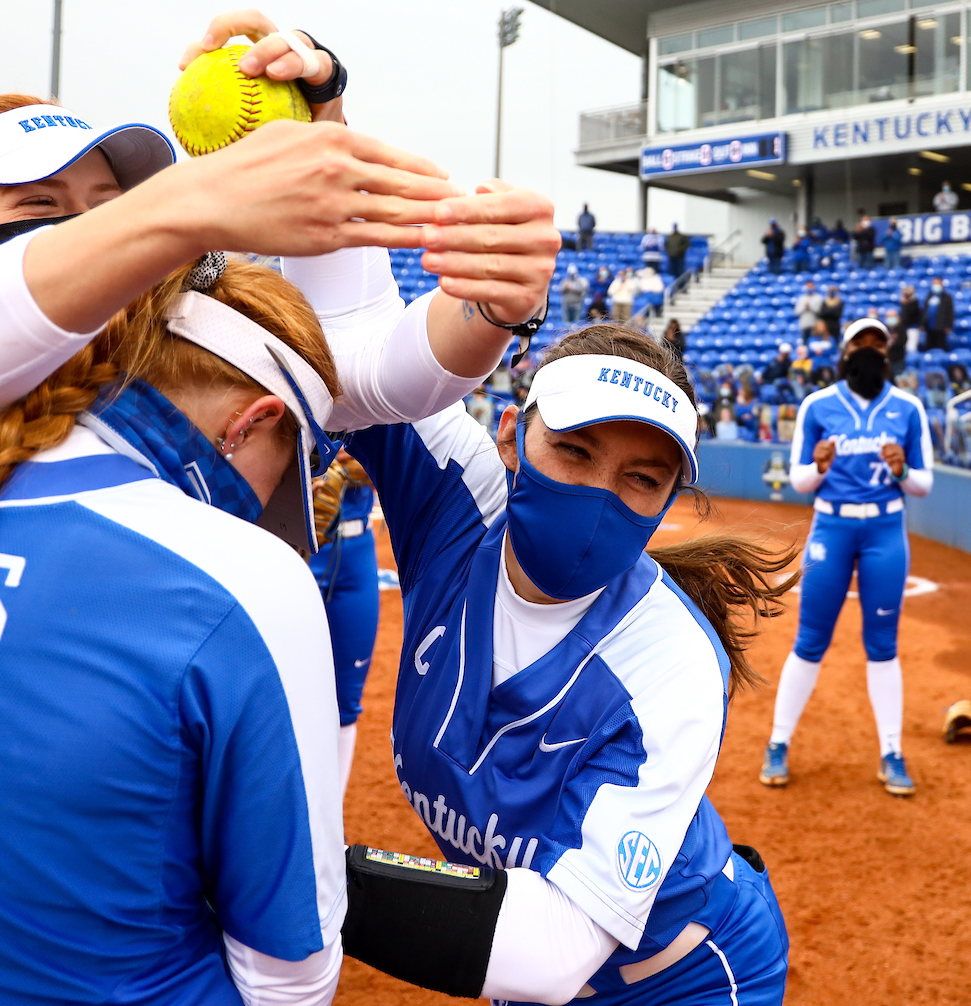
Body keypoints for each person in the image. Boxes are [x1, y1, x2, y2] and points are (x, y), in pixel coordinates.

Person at [0, 14, 559, 1001]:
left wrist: (495, 296)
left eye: (107, 207)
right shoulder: (194, 568)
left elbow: (376, 367)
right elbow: (287, 974)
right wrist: (183, 206)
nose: (88, 237)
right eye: (42, 211)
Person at [338, 325, 793, 1006]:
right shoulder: (459, 508)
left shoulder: (672, 662)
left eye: (642, 478)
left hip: (679, 980)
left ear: (667, 501)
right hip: (516, 954)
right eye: (573, 450)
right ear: (511, 437)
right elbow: (352, 326)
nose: (597, 494)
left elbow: (552, 949)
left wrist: (285, 874)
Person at [761, 318, 933, 797]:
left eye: (879, 346)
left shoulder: (908, 407)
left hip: (884, 528)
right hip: (832, 525)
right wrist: (817, 467)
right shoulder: (818, 405)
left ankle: (892, 752)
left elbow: (925, 483)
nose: (871, 352)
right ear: (845, 351)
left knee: (883, 643)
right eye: (862, 344)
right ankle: (778, 743)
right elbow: (798, 481)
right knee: (810, 638)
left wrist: (903, 470)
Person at [308, 450, 381, 796]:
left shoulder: (376, 397)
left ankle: (330, 820)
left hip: (357, 554)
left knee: (346, 698)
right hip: (296, 543)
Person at [923, 277, 954, 351]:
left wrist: (948, 326)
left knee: (941, 347)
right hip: (929, 327)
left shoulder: (946, 297)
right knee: (929, 348)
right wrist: (922, 324)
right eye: (934, 284)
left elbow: (950, 313)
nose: (935, 286)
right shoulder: (929, 296)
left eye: (937, 284)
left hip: (941, 328)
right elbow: (925, 310)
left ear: (942, 285)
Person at [899, 283, 923, 352]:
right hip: (904, 328)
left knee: (911, 348)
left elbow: (912, 313)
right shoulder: (904, 303)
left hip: (913, 328)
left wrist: (906, 304)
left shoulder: (914, 302)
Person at [884, 307, 907, 376]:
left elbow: (904, 340)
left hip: (898, 359)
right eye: (889, 317)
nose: (891, 318)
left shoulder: (901, 328)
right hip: (887, 360)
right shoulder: (885, 328)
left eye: (892, 316)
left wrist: (893, 343)